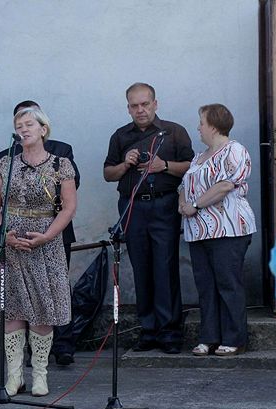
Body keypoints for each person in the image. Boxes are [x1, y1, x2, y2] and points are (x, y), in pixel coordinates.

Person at [0, 107, 76, 397]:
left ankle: (40, 374)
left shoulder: (60, 165)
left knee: (41, 310)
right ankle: (15, 376)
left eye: (29, 124)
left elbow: (69, 207)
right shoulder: (6, 164)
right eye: (19, 125)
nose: (23, 129)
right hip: (10, 243)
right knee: (12, 307)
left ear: (43, 129)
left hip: (45, 244)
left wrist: (47, 237)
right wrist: (4, 234)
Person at [103, 83, 194, 354]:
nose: (140, 110)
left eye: (145, 104)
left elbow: (192, 166)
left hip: (164, 206)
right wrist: (125, 164)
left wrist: (163, 166)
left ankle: (170, 332)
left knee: (165, 268)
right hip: (132, 207)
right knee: (141, 268)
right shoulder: (120, 136)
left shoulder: (174, 132)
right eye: (134, 105)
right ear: (128, 108)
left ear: (156, 104)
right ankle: (148, 330)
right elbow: (108, 174)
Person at [178, 104, 256, 356]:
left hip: (228, 228)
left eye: (201, 122)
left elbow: (225, 185)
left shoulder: (234, 150)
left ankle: (234, 338)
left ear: (213, 125)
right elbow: (184, 184)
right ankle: (208, 337)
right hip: (199, 230)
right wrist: (183, 203)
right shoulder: (199, 156)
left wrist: (196, 205)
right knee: (206, 285)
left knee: (227, 282)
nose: (198, 127)